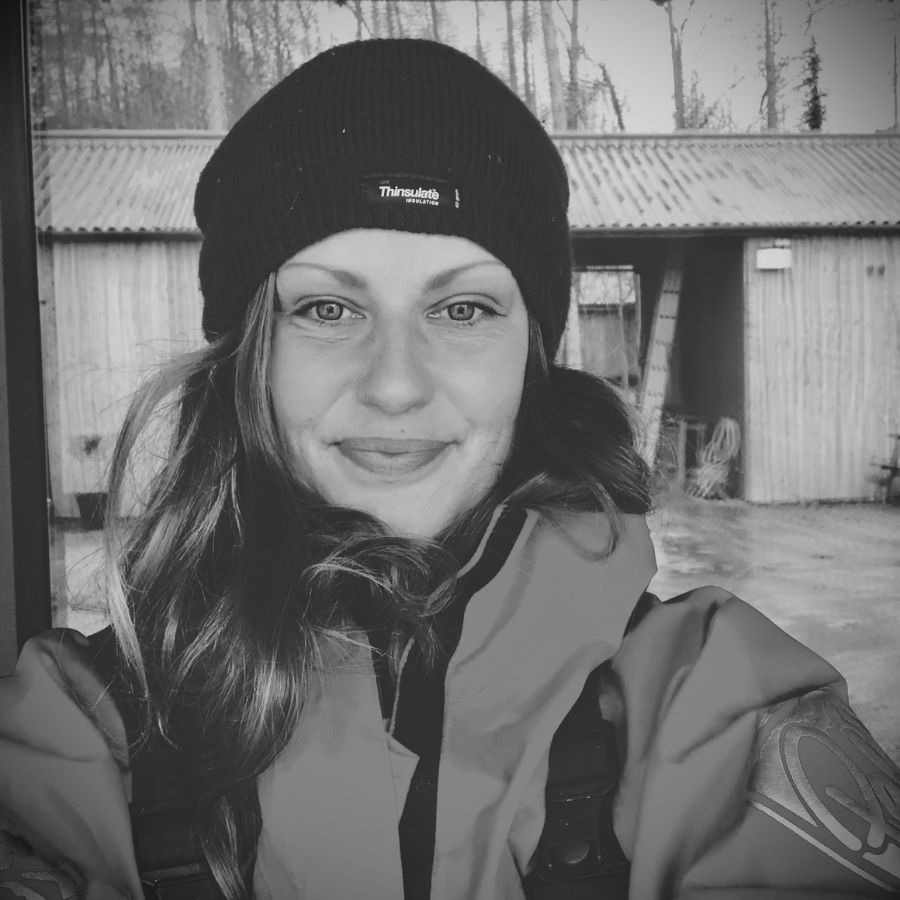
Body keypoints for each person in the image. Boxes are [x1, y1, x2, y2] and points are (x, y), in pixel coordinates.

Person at [1, 38, 898, 900]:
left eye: (464, 307)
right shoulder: (77, 732)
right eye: (324, 307)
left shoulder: (714, 705)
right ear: (249, 362)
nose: (395, 384)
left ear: (532, 358)